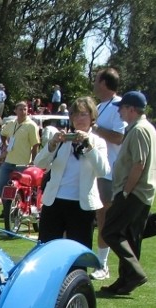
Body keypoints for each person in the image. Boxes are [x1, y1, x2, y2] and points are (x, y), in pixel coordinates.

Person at [99, 91, 156, 296]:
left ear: (132, 109)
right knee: (131, 237)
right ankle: (125, 281)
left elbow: (138, 164)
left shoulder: (139, 130)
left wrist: (125, 191)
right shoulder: (144, 128)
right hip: (141, 191)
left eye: (122, 108)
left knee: (110, 231)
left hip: (134, 192)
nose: (120, 112)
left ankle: (135, 273)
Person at [34, 97, 109, 248]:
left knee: (78, 252)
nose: (79, 118)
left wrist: (88, 146)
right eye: (75, 114)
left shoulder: (98, 142)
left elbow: (103, 171)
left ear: (92, 117)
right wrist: (52, 144)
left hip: (81, 205)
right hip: (54, 202)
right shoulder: (63, 139)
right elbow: (39, 163)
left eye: (83, 114)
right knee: (47, 248)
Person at [90, 67, 127, 280]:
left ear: (104, 83)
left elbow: (119, 137)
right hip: (96, 169)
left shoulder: (117, 106)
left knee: (105, 217)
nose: (94, 84)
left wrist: (95, 129)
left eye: (97, 80)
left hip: (110, 171)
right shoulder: (101, 106)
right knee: (98, 216)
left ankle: (103, 265)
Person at [0, 101, 40, 227]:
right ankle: (9, 209)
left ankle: (22, 210)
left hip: (23, 163)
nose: (23, 111)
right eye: (20, 109)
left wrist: (34, 162)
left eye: (25, 109)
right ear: (15, 110)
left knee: (22, 190)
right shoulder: (11, 124)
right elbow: (3, 134)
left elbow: (35, 145)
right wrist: (5, 144)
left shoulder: (31, 125)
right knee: (1, 186)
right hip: (9, 161)